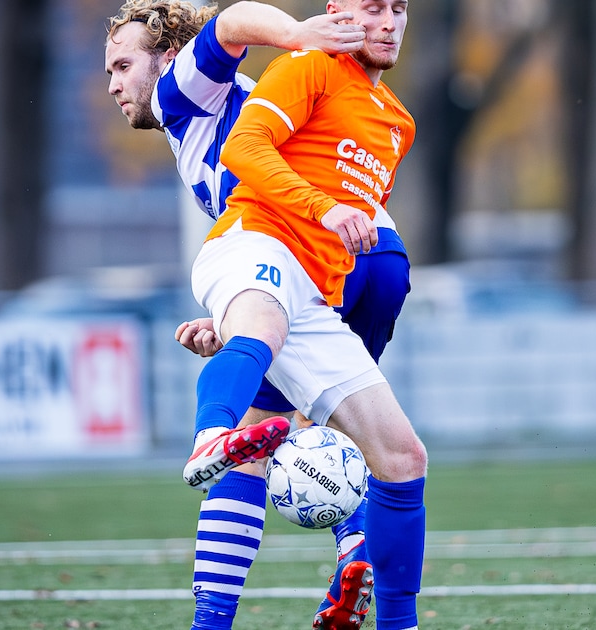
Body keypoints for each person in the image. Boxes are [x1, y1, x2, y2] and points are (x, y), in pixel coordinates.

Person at [104, 2, 418, 629]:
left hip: (305, 248)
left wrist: (295, 33)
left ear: (170, 57)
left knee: (246, 448)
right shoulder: (359, 104)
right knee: (355, 438)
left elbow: (230, 22)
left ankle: (213, 610)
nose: (113, 84)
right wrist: (234, 313)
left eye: (122, 65)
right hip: (364, 264)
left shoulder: (184, 92)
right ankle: (357, 548)